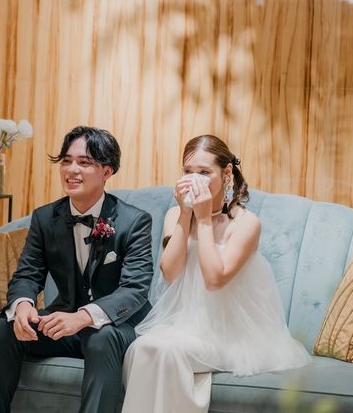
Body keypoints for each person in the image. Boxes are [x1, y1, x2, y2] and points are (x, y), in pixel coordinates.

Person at [122, 134, 310, 413]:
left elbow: (214, 280)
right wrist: (186, 215)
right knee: (142, 348)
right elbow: (170, 273)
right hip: (181, 325)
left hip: (230, 335)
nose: (194, 180)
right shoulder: (175, 216)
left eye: (204, 172)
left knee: (168, 352)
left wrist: (204, 220)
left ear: (226, 173)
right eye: (188, 172)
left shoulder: (246, 223)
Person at [0, 126, 154, 413]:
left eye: (84, 162)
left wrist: (84, 317)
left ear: (107, 171)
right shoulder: (45, 218)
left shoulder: (134, 221)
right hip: (65, 323)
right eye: (66, 161)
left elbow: (135, 289)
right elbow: (28, 273)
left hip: (116, 327)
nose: (72, 170)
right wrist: (23, 306)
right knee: (5, 325)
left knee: (101, 337)